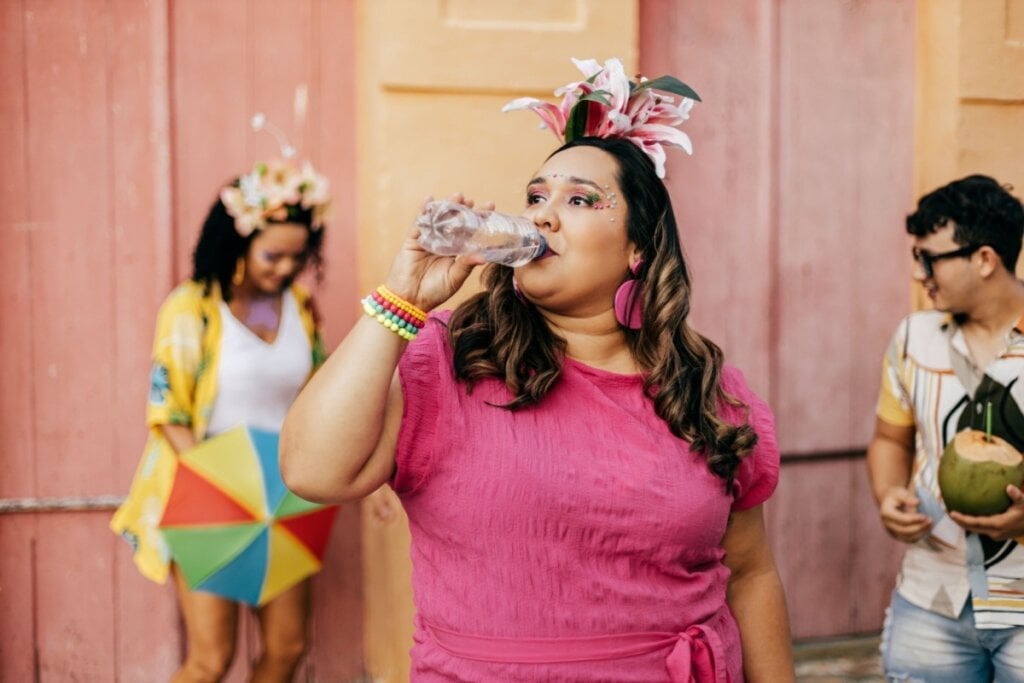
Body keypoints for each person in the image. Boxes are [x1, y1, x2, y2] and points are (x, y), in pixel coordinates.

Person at [281, 57, 793, 681]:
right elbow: (312, 470)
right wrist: (402, 301)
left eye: (579, 199)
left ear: (639, 247)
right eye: (535, 197)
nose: (542, 216)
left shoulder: (706, 387)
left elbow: (751, 573)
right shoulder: (452, 356)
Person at [111, 157, 332, 682]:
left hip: (282, 495)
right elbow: (169, 414)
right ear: (238, 241)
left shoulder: (299, 307)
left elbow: (320, 395)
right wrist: (224, 484)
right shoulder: (192, 308)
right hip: (208, 494)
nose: (283, 268)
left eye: (296, 257)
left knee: (288, 644)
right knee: (211, 660)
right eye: (271, 255)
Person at [867, 174, 1024, 681]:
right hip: (931, 597)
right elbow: (891, 439)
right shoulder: (914, 337)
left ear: (984, 259)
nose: (920, 274)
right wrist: (889, 493)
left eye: (929, 258)